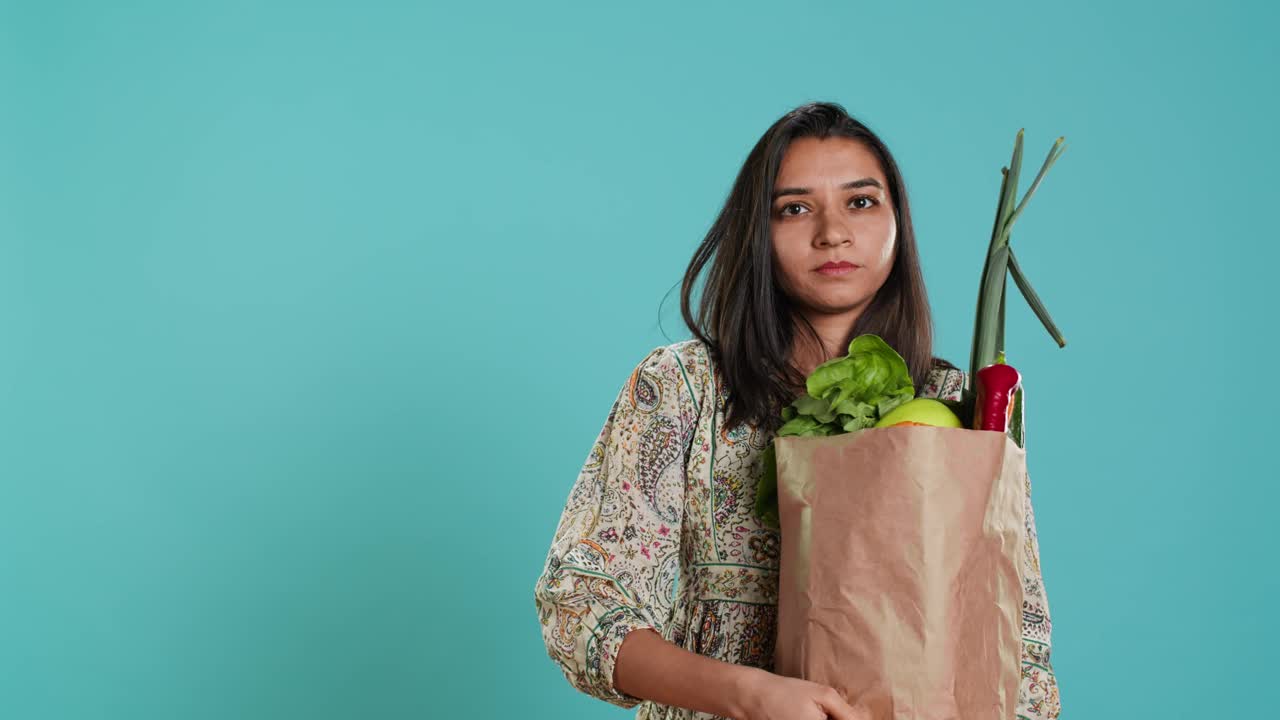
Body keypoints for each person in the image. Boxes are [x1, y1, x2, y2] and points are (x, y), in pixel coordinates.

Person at [533, 102, 1061, 720]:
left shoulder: (957, 403)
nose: (832, 231)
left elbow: (1020, 644)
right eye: (795, 208)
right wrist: (750, 693)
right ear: (758, 231)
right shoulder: (683, 386)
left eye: (861, 202)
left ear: (899, 222)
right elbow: (581, 605)